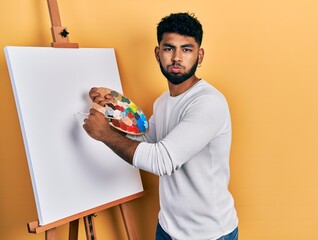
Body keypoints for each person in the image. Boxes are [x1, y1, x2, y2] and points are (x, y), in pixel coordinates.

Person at [83, 12, 238, 240]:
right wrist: (112, 110)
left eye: (186, 49)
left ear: (200, 55)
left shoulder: (208, 102)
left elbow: (162, 160)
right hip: (168, 227)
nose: (176, 57)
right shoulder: (163, 101)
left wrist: (105, 135)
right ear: (158, 53)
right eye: (169, 48)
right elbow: (146, 140)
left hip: (208, 234)